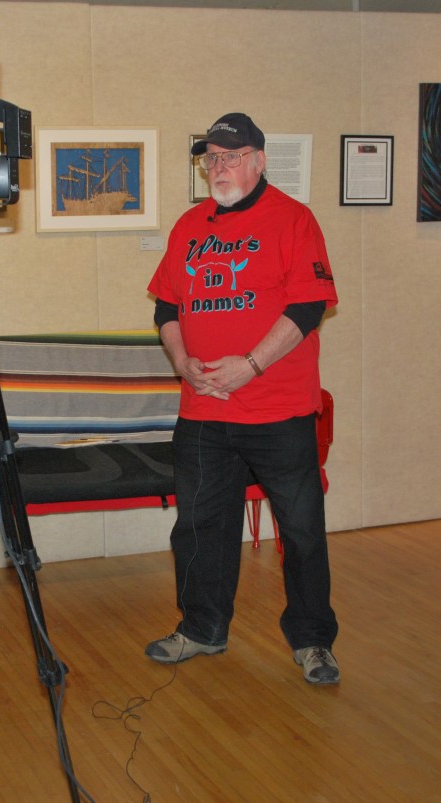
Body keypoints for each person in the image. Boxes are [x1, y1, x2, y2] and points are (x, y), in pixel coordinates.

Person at [145, 113, 340, 685]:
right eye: (211, 158)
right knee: (199, 527)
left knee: (301, 531)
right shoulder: (189, 227)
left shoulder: (293, 219)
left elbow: (308, 307)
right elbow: (166, 307)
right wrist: (182, 362)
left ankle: (313, 641)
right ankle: (202, 628)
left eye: (231, 156)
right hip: (204, 410)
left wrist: (249, 365)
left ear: (259, 160)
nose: (219, 167)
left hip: (278, 410)